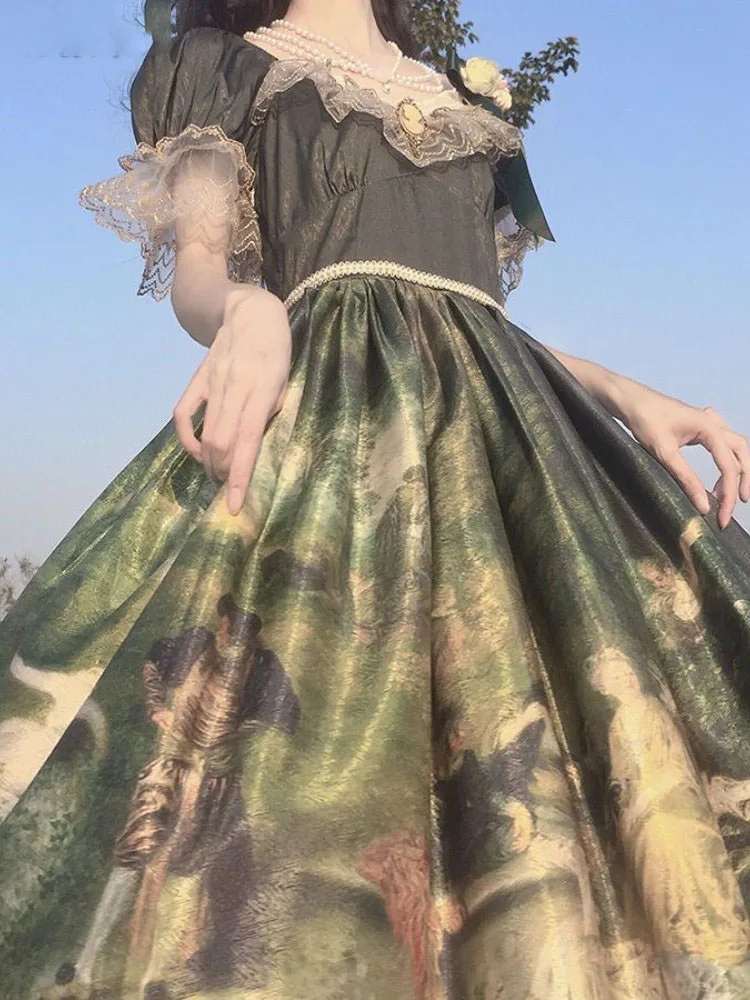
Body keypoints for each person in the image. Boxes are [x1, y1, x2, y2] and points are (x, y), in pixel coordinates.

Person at [1, 1, 750, 997]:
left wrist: (624, 394)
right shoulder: (223, 70)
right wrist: (251, 309)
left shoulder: (463, 104)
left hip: (495, 468)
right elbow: (199, 277)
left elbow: (473, 319)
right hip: (333, 450)